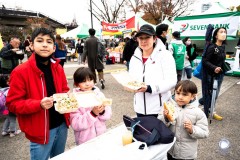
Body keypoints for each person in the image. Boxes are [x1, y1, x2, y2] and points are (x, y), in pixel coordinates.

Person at [6, 28, 70, 160]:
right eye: (40, 41)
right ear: (31, 45)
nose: (45, 44)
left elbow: (64, 89)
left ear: (54, 47)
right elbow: (12, 104)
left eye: (49, 41)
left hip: (62, 125)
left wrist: (69, 96)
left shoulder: (58, 67)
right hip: (40, 130)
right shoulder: (20, 71)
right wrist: (38, 104)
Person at [129, 24, 177, 118]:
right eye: (140, 38)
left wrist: (150, 88)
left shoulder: (165, 55)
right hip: (139, 108)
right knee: (143, 132)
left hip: (160, 109)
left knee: (158, 132)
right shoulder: (134, 58)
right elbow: (132, 79)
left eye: (147, 37)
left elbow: (172, 81)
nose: (143, 41)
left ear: (154, 38)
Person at [161, 80, 209, 160]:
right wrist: (166, 118)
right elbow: (161, 125)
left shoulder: (198, 113)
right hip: (170, 149)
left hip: (186, 154)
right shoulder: (170, 107)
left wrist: (192, 129)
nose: (180, 97)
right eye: (178, 93)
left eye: (184, 94)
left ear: (193, 96)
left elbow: (205, 132)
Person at [70, 67, 112, 145]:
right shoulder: (74, 99)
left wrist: (102, 111)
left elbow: (108, 115)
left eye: (90, 80)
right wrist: (92, 114)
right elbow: (76, 124)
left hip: (101, 136)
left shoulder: (98, 94)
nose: (87, 84)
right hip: (85, 141)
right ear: (76, 84)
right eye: (83, 81)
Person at [202, 27, 227, 120]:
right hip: (210, 75)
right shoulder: (212, 47)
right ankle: (211, 110)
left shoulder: (223, 47)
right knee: (211, 94)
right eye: (221, 32)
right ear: (216, 35)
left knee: (215, 94)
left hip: (220, 75)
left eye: (225, 32)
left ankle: (203, 102)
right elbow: (205, 61)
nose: (224, 33)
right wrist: (214, 67)